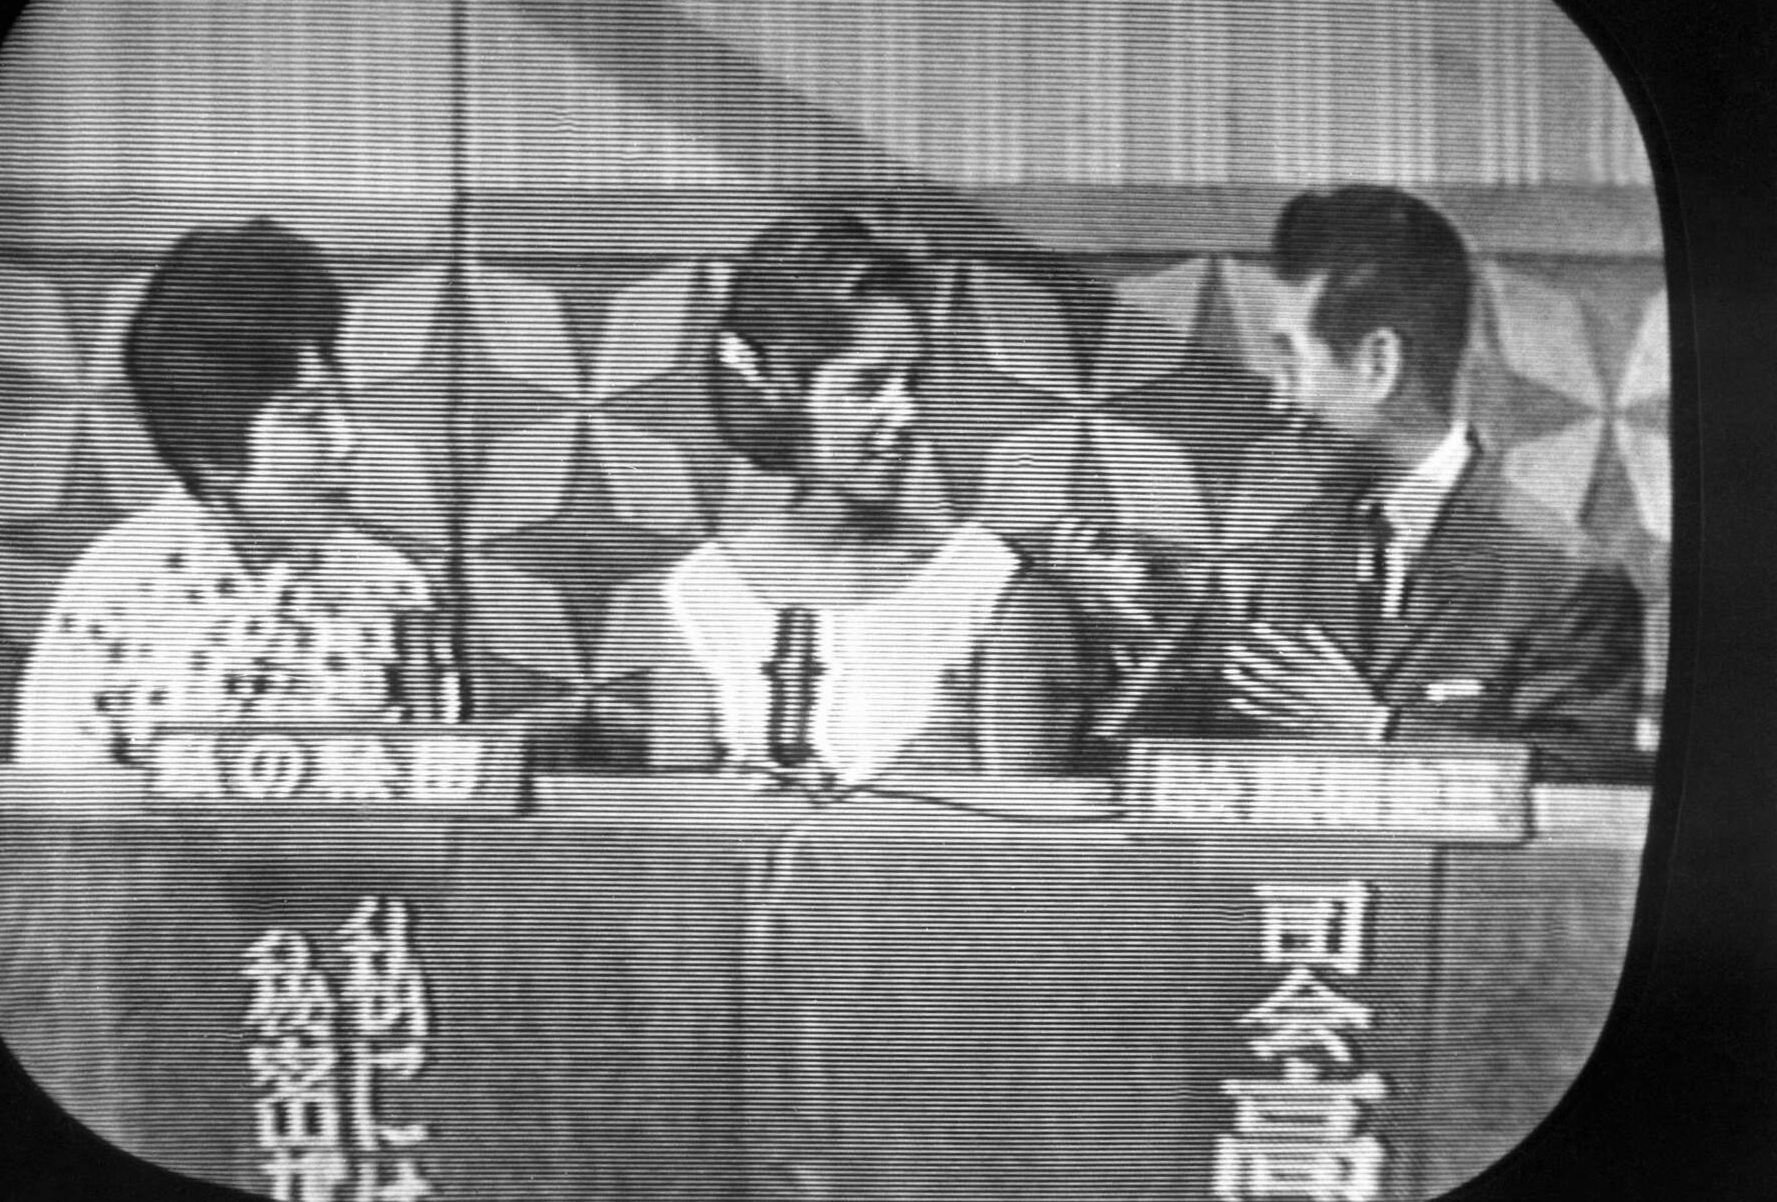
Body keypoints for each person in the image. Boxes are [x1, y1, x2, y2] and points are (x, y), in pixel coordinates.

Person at [1057, 184, 1644, 782]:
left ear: (1377, 366)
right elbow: (1137, 769)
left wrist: (1378, 733)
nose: (1279, 398)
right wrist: (1137, 635)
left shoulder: (1568, 580)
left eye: (1292, 361)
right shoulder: (1273, 561)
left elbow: (1585, 788)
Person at [646, 208, 1083, 787]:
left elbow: (1024, 840)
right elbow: (671, 830)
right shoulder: (701, 595)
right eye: (869, 384)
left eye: (913, 379)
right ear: (785, 390)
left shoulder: (989, 587)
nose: (905, 415)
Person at [13, 217, 433, 766]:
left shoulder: (393, 590)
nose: (347, 441)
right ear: (212, 458)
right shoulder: (111, 594)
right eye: (308, 417)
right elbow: (54, 808)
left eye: (341, 403)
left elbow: (446, 804)